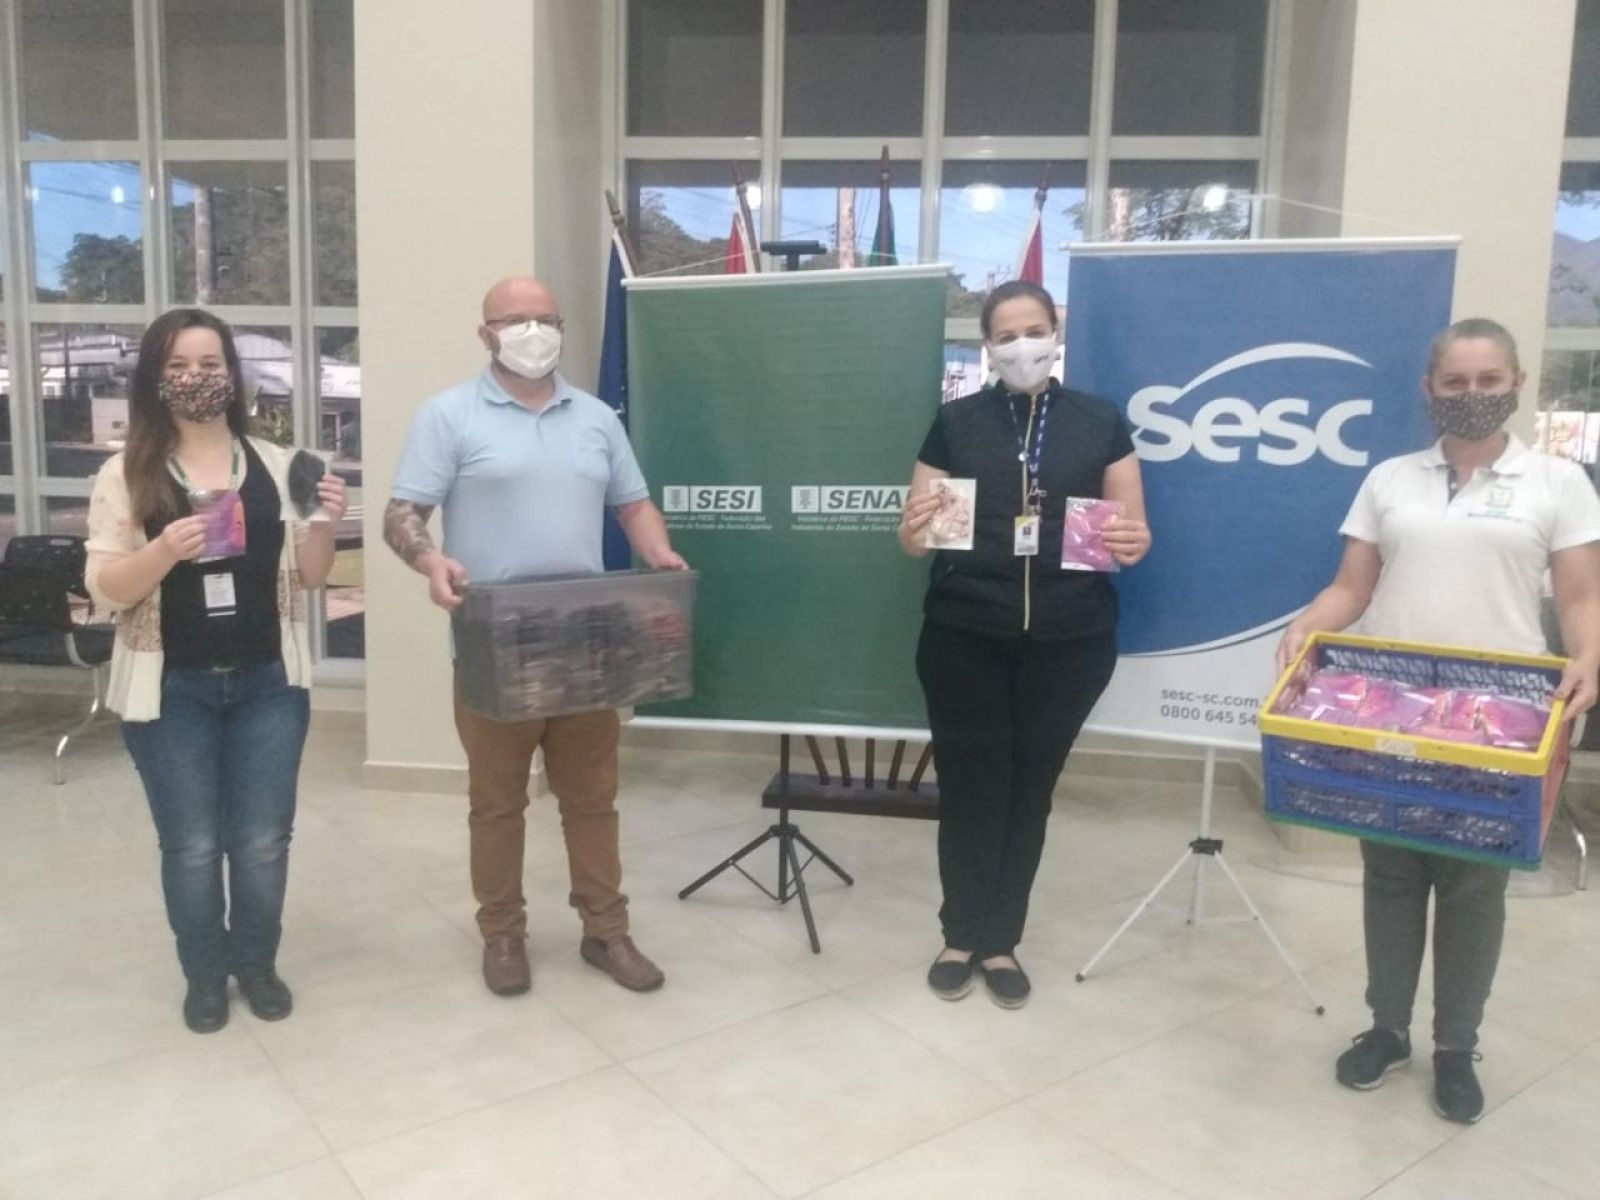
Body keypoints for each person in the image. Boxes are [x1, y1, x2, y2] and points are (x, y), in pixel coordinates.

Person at [1277, 317, 1600, 1124]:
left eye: (1489, 380)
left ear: (1516, 384)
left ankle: (1457, 1045)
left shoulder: (1557, 482)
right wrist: (1309, 625)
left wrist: (1590, 653)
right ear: (1429, 389)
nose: (1471, 395)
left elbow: (1578, 597)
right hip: (1390, 705)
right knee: (1389, 872)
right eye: (1455, 382)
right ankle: (1387, 1029)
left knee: (1472, 887)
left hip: (1501, 716)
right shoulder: (1391, 479)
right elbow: (1352, 586)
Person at [385, 275, 686, 998]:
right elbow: (402, 515)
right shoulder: (448, 415)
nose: (533, 332)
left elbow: (633, 503)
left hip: (588, 641)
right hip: (494, 644)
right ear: (484, 333)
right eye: (514, 319)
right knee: (497, 804)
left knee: (593, 798)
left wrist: (661, 557)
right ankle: (503, 934)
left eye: (546, 319)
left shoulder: (596, 419)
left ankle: (606, 930)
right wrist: (430, 561)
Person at [84, 308, 348, 1033]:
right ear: (154, 378)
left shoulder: (283, 465)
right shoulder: (125, 472)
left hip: (269, 683)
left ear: (233, 373)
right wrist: (164, 550)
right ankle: (205, 975)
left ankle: (256, 965)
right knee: (193, 846)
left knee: (262, 841)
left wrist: (327, 518)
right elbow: (106, 589)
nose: (194, 378)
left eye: (208, 364)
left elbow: (313, 575)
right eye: (176, 366)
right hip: (172, 690)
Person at [898, 280, 1152, 1009]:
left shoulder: (1100, 421)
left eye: (1033, 331)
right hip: (964, 635)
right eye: (1005, 336)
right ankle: (960, 934)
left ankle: (1001, 940)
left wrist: (1134, 541)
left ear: (1055, 335)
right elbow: (914, 539)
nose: (1022, 347)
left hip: (1071, 640)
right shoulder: (956, 421)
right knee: (970, 790)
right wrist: (911, 531)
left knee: (1028, 793)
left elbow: (1133, 531)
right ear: (987, 347)